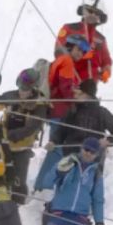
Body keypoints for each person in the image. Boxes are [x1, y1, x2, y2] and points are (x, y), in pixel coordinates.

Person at [33, 34, 90, 192]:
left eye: (83, 52)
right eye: (79, 49)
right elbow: (65, 89)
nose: (80, 54)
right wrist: (78, 97)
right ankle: (43, 185)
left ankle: (43, 184)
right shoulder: (67, 62)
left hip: (54, 110)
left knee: (58, 147)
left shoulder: (60, 60)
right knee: (57, 148)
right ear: (71, 45)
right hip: (59, 111)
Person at [0, 67, 47, 204]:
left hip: (21, 149)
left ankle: (18, 205)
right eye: (20, 88)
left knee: (18, 180)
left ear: (34, 88)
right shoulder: (12, 96)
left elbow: (31, 128)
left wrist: (7, 134)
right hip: (5, 145)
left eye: (25, 89)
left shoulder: (39, 104)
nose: (22, 92)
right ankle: (0, 202)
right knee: (1, 175)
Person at [38, 137, 106, 225]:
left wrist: (99, 222)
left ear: (96, 155)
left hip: (80, 221)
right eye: (86, 149)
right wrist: (58, 171)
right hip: (58, 215)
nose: (88, 153)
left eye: (92, 152)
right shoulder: (68, 162)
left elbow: (98, 200)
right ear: (81, 148)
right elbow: (46, 182)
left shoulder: (96, 173)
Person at [49, 79, 113, 157]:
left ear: (88, 95)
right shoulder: (72, 110)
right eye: (75, 93)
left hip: (92, 156)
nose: (75, 96)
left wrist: (108, 141)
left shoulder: (101, 112)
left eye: (79, 94)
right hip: (70, 155)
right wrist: (53, 142)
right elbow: (61, 131)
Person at [55, 0, 113, 83]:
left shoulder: (101, 39)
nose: (92, 15)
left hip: (89, 87)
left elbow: (106, 60)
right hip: (66, 80)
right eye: (90, 11)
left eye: (96, 13)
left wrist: (106, 72)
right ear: (83, 11)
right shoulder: (69, 28)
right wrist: (80, 52)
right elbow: (58, 50)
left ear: (100, 17)